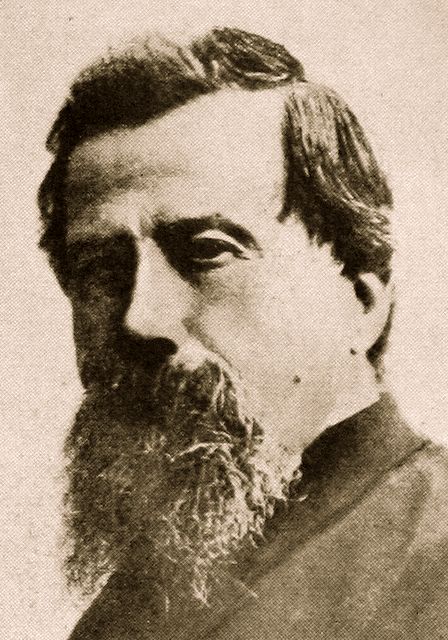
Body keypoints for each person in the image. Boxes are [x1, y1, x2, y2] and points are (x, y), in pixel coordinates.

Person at [38, 27, 448, 639]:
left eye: (207, 251)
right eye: (101, 269)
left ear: (362, 300)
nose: (139, 319)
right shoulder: (132, 607)